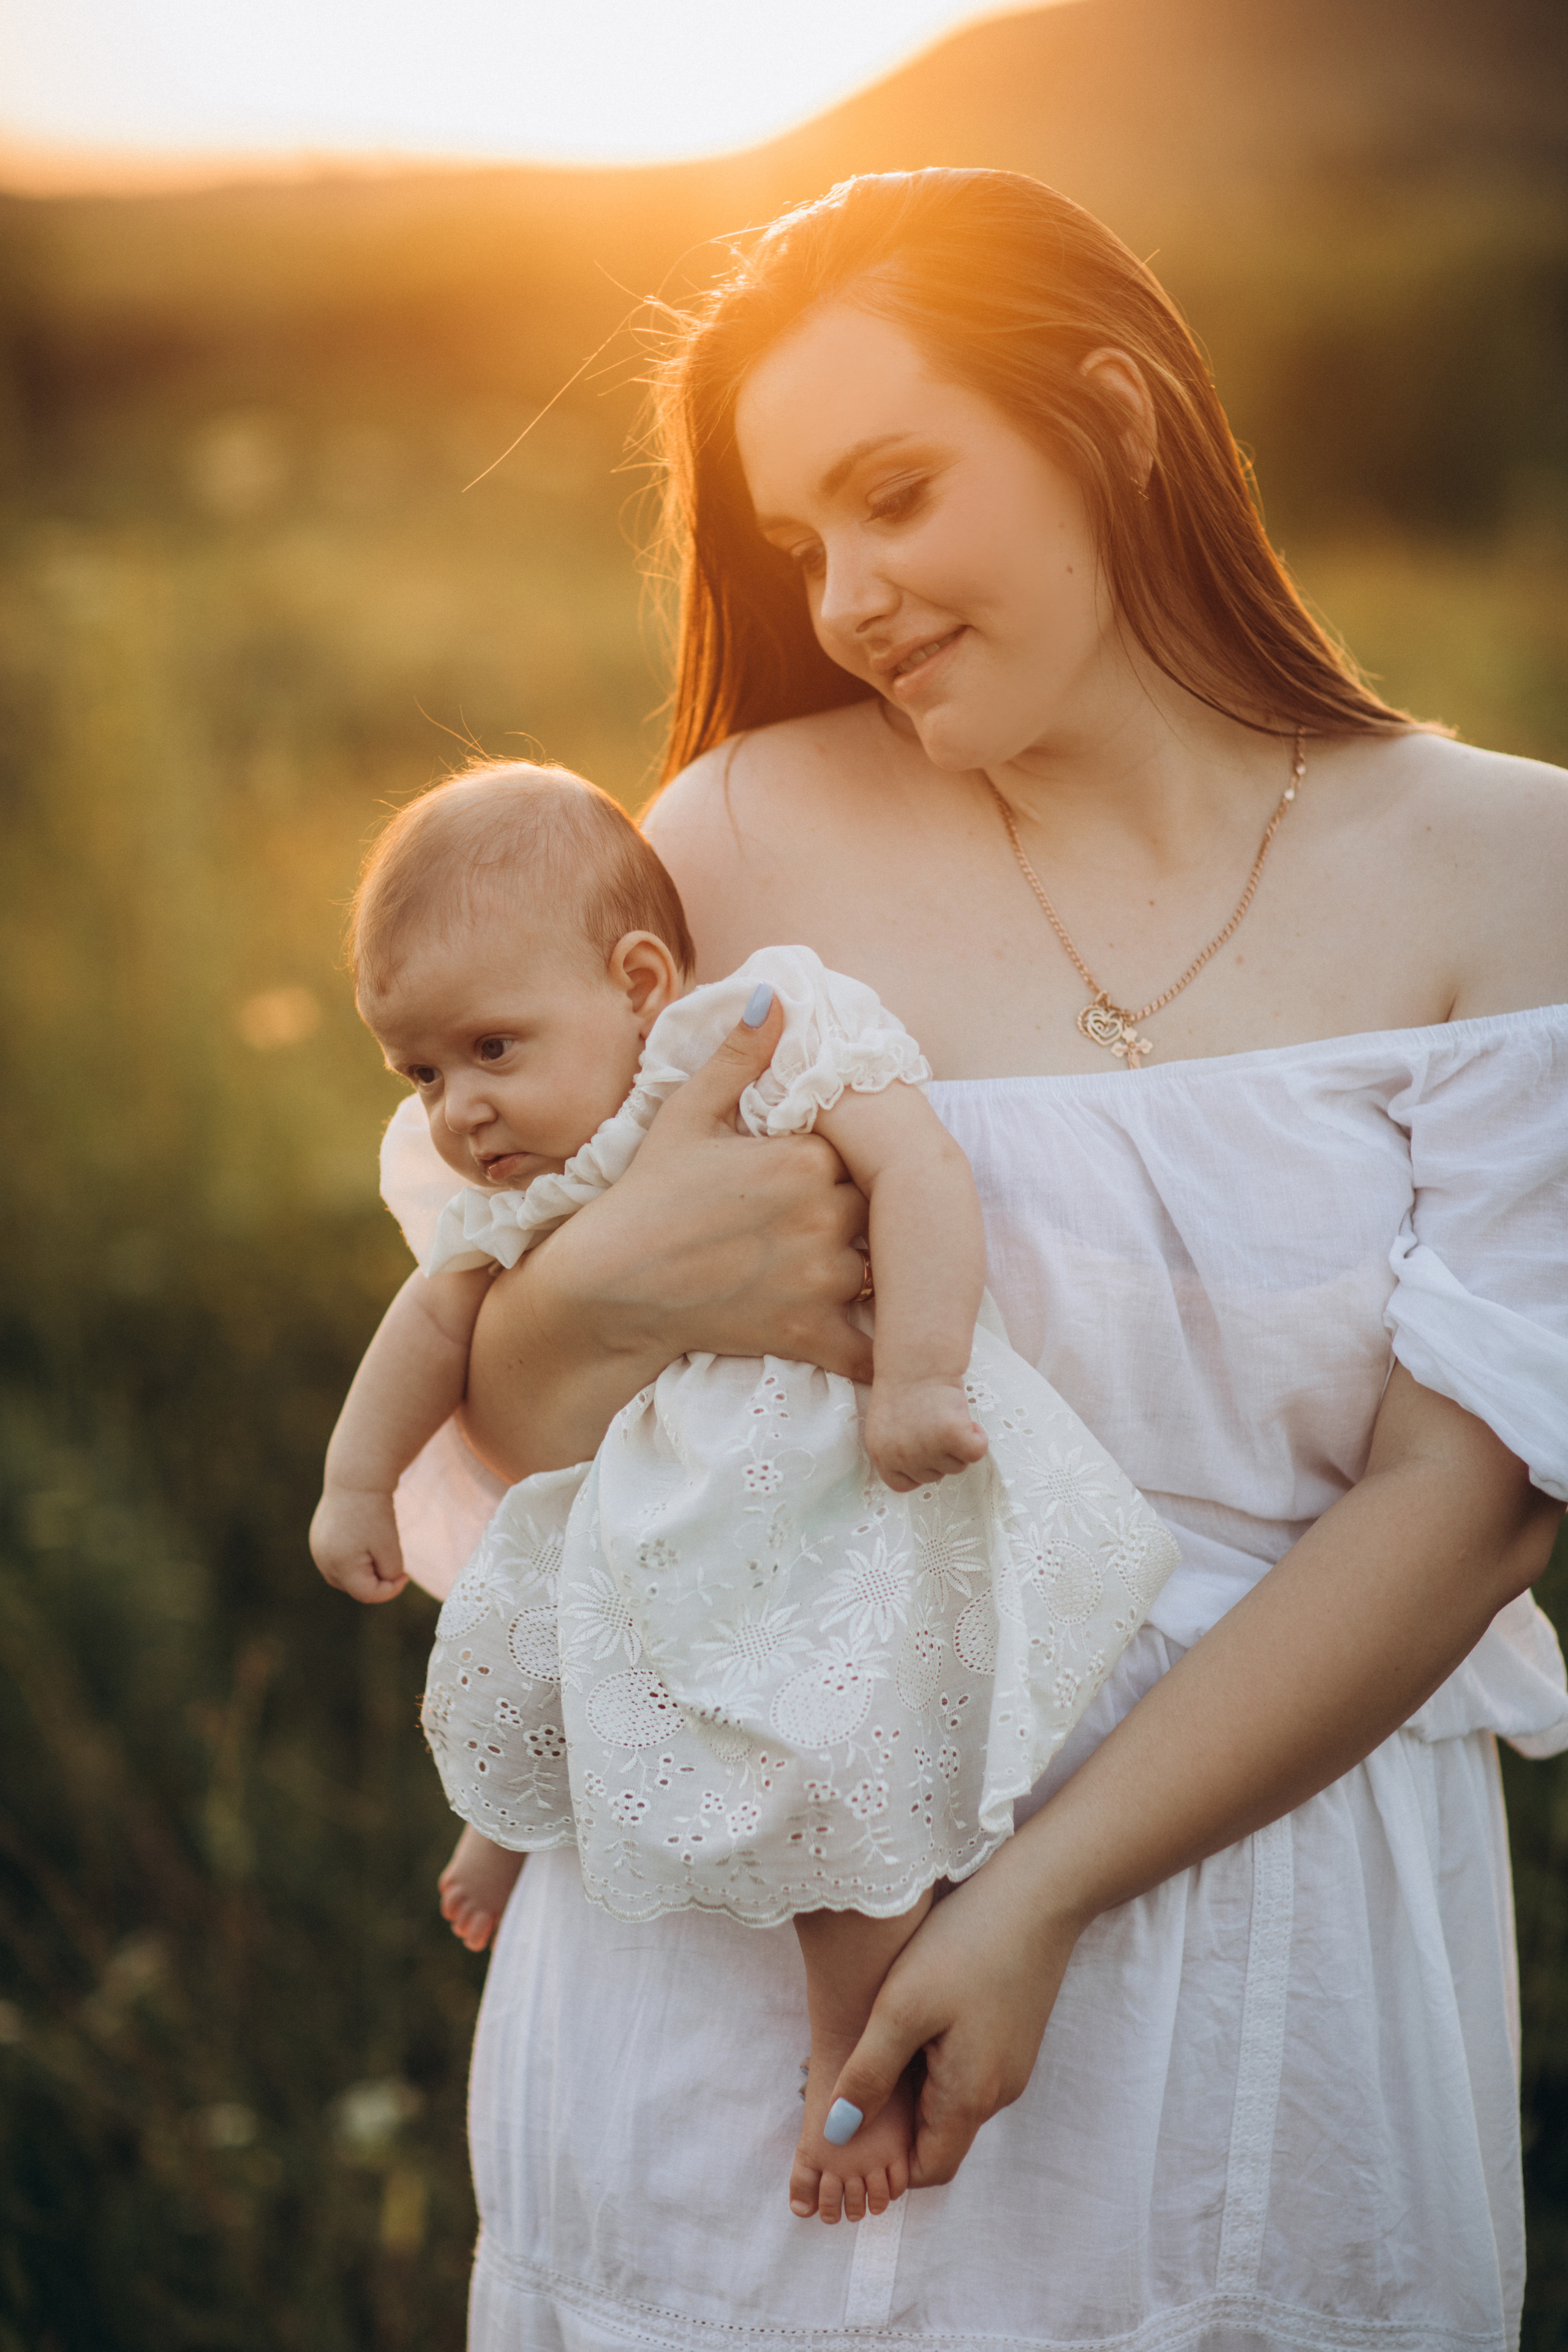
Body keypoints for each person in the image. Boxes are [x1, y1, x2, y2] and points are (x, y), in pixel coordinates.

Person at [381, 170, 1568, 2345]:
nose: (844, 593)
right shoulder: (739, 838)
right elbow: (523, 1402)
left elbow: (1473, 1497)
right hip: (744, 1940)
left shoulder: (1515, 866)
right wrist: (630, 1304)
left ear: (1112, 418)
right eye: (800, 539)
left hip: (1244, 1912)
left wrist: (1029, 1904)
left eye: (896, 494)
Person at [311, 757, 1180, 2218]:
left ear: (638, 978)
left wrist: (915, 1374)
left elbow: (917, 1175)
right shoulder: (526, 1165)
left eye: (488, 1047)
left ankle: (846, 2040)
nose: (458, 1108)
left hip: (817, 1491)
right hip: (648, 1502)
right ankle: (530, 1811)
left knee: (826, 1744)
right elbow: (434, 1322)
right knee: (542, 1623)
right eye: (419, 1074)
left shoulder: (758, 1034)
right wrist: (355, 1484)